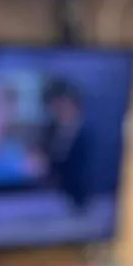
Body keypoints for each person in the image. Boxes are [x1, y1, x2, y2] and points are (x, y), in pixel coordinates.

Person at [39, 78, 90, 208]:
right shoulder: (50, 130)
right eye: (54, 106)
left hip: (82, 203)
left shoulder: (88, 133)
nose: (58, 110)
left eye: (62, 105)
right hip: (52, 200)